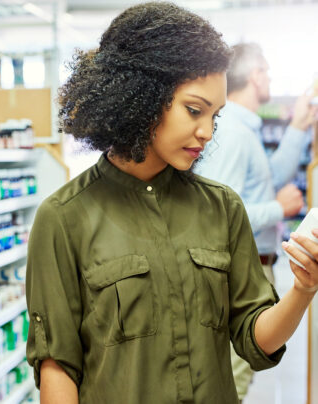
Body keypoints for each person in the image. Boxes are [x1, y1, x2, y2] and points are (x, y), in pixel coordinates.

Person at [25, 3, 318, 404]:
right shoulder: (63, 218)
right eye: (194, 110)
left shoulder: (222, 208)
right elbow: (57, 366)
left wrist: (302, 289)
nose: (206, 131)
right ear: (141, 96)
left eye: (216, 115)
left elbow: (254, 338)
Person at [194, 42, 318, 402]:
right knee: (234, 378)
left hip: (254, 265)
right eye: (267, 70)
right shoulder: (232, 132)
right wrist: (278, 210)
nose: (271, 78)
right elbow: (218, 213)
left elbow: (268, 179)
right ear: (254, 75)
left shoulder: (244, 127)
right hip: (238, 271)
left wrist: (296, 127)